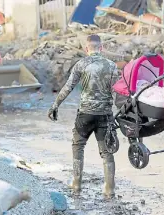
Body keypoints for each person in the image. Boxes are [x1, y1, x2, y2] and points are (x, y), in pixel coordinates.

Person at [48, 34, 119, 199]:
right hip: (105, 115)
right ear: (101, 48)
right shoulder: (112, 66)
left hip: (85, 115)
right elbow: (119, 94)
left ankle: (77, 183)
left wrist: (55, 105)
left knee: (78, 146)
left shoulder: (81, 64)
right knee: (107, 152)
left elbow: (68, 87)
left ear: (87, 48)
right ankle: (109, 188)